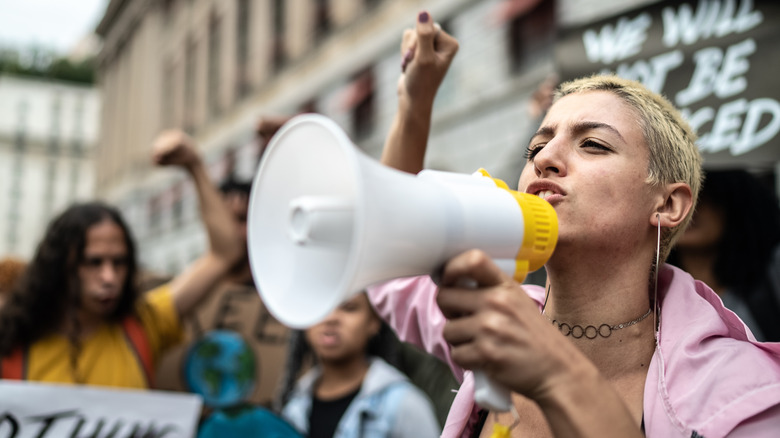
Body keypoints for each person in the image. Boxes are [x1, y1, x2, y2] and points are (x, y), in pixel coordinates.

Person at [367, 11, 780, 437]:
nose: (544, 159)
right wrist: (414, 100)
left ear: (668, 203)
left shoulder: (743, 393)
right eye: (536, 148)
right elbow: (390, 259)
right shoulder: (497, 321)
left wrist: (556, 373)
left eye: (594, 144)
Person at [0, 135, 244, 387]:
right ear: (60, 265)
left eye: (119, 263)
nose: (109, 277)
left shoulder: (144, 325)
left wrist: (194, 165)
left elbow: (224, 253)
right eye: (94, 263)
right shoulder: (12, 342)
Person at [151, 129, 292, 408]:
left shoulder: (284, 296)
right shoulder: (182, 292)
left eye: (242, 220)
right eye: (226, 220)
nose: (234, 232)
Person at [277, 292, 440, 438]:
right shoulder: (294, 404)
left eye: (349, 308)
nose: (331, 317)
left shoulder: (403, 404)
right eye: (321, 305)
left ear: (374, 322)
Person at [668, 169, 780, 341]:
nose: (689, 209)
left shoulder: (772, 273)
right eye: (672, 197)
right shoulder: (648, 290)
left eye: (703, 195)